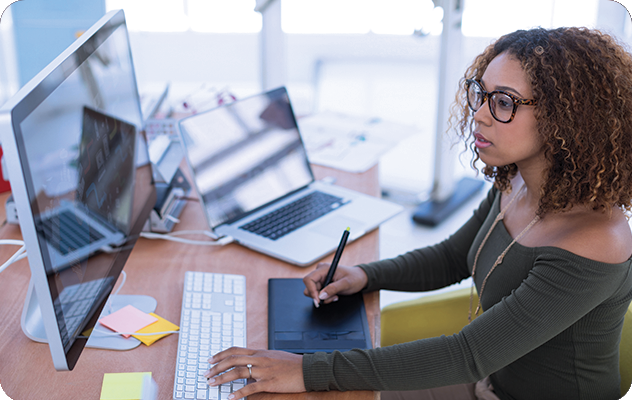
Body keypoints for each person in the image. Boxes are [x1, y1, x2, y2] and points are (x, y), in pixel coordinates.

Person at [204, 27, 632, 400]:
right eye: (482, 94)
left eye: (504, 102)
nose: (480, 115)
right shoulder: (518, 181)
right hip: (490, 383)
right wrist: (366, 275)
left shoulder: (597, 241)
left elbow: (465, 355)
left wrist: (304, 370)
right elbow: (453, 256)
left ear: (567, 118)